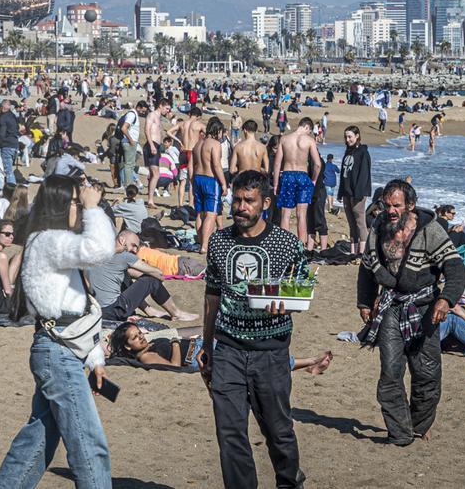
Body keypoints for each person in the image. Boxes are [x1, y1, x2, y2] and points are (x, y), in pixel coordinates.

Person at [0, 177, 113, 489]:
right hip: (58, 354)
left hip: (62, 349)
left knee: (37, 442)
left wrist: (94, 355)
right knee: (89, 447)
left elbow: (78, 305)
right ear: (60, 205)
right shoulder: (47, 240)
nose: (80, 207)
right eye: (75, 202)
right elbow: (100, 248)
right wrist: (94, 208)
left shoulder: (49, 241)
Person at [201, 169, 310, 489]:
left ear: (265, 203)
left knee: (278, 431)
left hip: (272, 351)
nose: (240, 206)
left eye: (248, 200)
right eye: (236, 199)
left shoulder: (287, 243)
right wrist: (206, 346)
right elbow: (211, 296)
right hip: (229, 349)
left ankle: (290, 482)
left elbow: (302, 290)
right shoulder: (219, 241)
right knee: (230, 434)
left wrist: (285, 302)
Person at [356, 179, 465, 446]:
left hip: (425, 306)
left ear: (411, 206)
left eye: (397, 205)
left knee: (426, 374)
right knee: (391, 371)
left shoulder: (431, 230)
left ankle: (419, 425)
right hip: (391, 306)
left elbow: (455, 269)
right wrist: (364, 301)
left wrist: (446, 300)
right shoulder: (379, 227)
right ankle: (399, 433)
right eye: (387, 204)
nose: (391, 210)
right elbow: (367, 266)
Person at [110, 322, 332, 375]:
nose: (141, 337)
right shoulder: (147, 356)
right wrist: (176, 342)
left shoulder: (150, 343)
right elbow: (174, 367)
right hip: (200, 353)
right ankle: (310, 362)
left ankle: (307, 363)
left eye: (139, 332)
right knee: (251, 357)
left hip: (203, 344)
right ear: (128, 347)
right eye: (135, 338)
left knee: (252, 347)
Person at [91, 229, 198, 322]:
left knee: (126, 275)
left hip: (98, 311)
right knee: (152, 280)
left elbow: (131, 273)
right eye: (133, 245)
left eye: (136, 248)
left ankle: (149, 310)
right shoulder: (124, 256)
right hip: (114, 311)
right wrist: (158, 279)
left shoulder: (100, 252)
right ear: (122, 239)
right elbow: (158, 273)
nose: (134, 250)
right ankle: (176, 314)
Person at [272, 116, 321, 250]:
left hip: (287, 175)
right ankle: (300, 248)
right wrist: (314, 180)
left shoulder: (284, 139)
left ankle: (284, 246)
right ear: (307, 127)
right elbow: (317, 164)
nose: (309, 133)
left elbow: (277, 164)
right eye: (309, 131)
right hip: (302, 176)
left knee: (285, 214)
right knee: (301, 215)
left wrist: (276, 183)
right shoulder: (309, 140)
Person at [191, 116, 227, 254]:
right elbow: (216, 165)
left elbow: (193, 165)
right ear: (217, 131)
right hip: (210, 180)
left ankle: (201, 243)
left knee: (200, 214)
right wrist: (223, 183)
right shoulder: (214, 144)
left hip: (198, 178)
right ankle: (205, 246)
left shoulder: (198, 144)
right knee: (211, 214)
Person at [338, 125, 372, 254]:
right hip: (347, 192)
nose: (347, 139)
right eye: (346, 137)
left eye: (350, 137)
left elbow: (364, 175)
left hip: (358, 193)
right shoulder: (348, 152)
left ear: (357, 136)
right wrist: (341, 192)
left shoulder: (363, 152)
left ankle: (362, 253)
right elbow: (343, 174)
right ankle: (353, 251)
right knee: (351, 224)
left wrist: (358, 193)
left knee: (360, 222)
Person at [117, 101, 146, 189]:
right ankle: (128, 185)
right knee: (129, 165)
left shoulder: (133, 114)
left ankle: (129, 184)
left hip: (129, 142)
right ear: (139, 107)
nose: (143, 113)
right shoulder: (132, 114)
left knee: (130, 165)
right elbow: (124, 128)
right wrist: (131, 140)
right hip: (129, 142)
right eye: (142, 111)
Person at [0, 99, 22, 187]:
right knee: (9, 170)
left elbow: (2, 134)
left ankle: (11, 190)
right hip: (15, 144)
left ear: (2, 107)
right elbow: (17, 128)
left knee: (8, 171)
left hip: (7, 145)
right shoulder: (13, 115)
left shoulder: (3, 117)